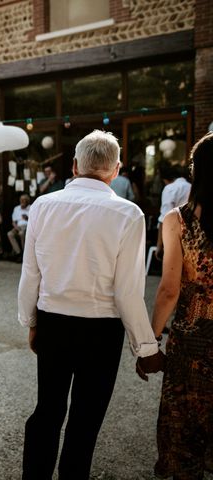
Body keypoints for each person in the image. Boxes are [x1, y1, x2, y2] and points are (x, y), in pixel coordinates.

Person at [18, 130, 164, 480]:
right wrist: (146, 347)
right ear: (115, 170)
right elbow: (128, 291)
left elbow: (30, 274)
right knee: (85, 419)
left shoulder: (42, 205)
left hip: (54, 322)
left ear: (73, 166)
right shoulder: (129, 214)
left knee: (48, 411)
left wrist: (32, 322)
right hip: (101, 331)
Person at [150, 132, 213, 479]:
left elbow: (169, 291)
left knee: (186, 433)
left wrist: (150, 341)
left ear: (195, 171)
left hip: (191, 344)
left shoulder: (178, 220)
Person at [155, 163, 191, 260]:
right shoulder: (191, 187)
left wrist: (159, 245)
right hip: (192, 235)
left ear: (166, 179)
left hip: (173, 234)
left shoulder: (170, 188)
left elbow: (164, 218)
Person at [7, 194, 30, 260]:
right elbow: (13, 222)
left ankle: (24, 254)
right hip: (18, 227)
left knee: (21, 234)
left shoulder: (31, 208)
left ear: (27, 201)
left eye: (24, 200)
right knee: (10, 234)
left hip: (27, 227)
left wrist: (27, 218)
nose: (22, 201)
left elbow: (33, 221)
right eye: (21, 200)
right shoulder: (16, 208)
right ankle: (18, 253)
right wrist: (17, 228)